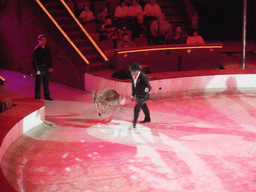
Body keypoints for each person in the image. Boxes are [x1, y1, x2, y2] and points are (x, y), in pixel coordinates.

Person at [129, 62, 151, 128]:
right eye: (131, 71)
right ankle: (148, 118)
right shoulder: (133, 77)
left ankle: (134, 124)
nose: (132, 72)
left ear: (137, 71)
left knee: (137, 108)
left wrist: (146, 90)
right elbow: (133, 86)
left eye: (133, 71)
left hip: (143, 95)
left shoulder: (143, 77)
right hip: (138, 95)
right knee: (143, 106)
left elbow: (149, 87)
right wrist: (133, 95)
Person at [32, 34, 54, 100]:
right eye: (42, 40)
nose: (44, 41)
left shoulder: (47, 48)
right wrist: (36, 70)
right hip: (40, 69)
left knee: (46, 83)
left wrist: (50, 67)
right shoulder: (37, 49)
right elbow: (34, 61)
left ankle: (47, 96)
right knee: (38, 84)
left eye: (44, 40)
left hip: (46, 69)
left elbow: (50, 58)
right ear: (39, 40)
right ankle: (37, 97)